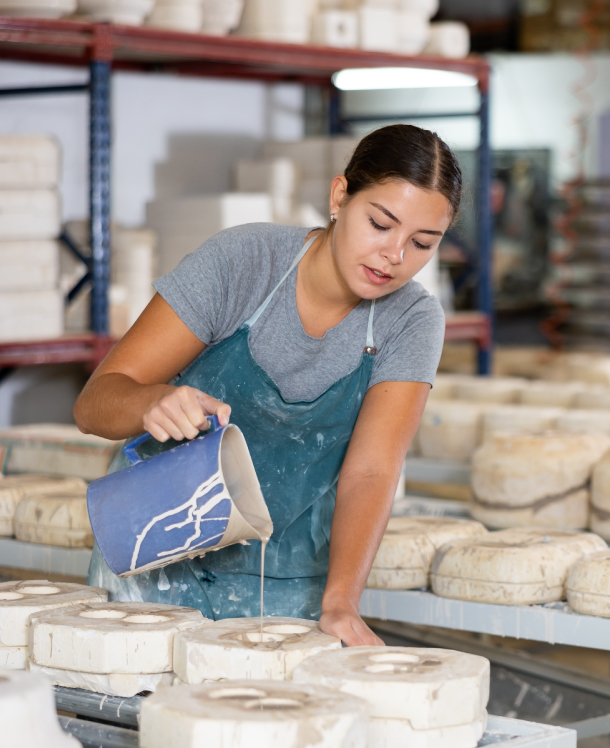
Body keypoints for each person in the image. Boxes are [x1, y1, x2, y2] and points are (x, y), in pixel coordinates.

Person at [73, 125, 457, 646]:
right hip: (155, 562)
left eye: (420, 243)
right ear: (340, 196)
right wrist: (151, 401)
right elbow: (93, 405)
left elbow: (371, 470)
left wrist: (342, 600)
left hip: (286, 579)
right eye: (380, 224)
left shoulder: (411, 318)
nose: (394, 255)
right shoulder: (243, 264)